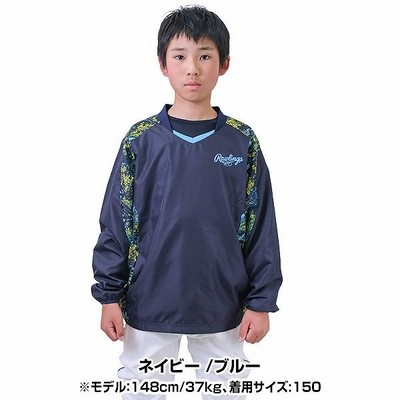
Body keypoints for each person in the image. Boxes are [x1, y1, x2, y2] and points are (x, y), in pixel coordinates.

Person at [91, 5, 282, 400]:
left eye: (204, 56)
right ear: (163, 65)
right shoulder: (141, 140)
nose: (192, 68)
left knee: (226, 390)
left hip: (223, 302)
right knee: (142, 390)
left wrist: (261, 301)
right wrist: (108, 295)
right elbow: (116, 220)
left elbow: (261, 225)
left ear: (224, 64)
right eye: (179, 56)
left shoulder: (242, 141)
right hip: (150, 300)